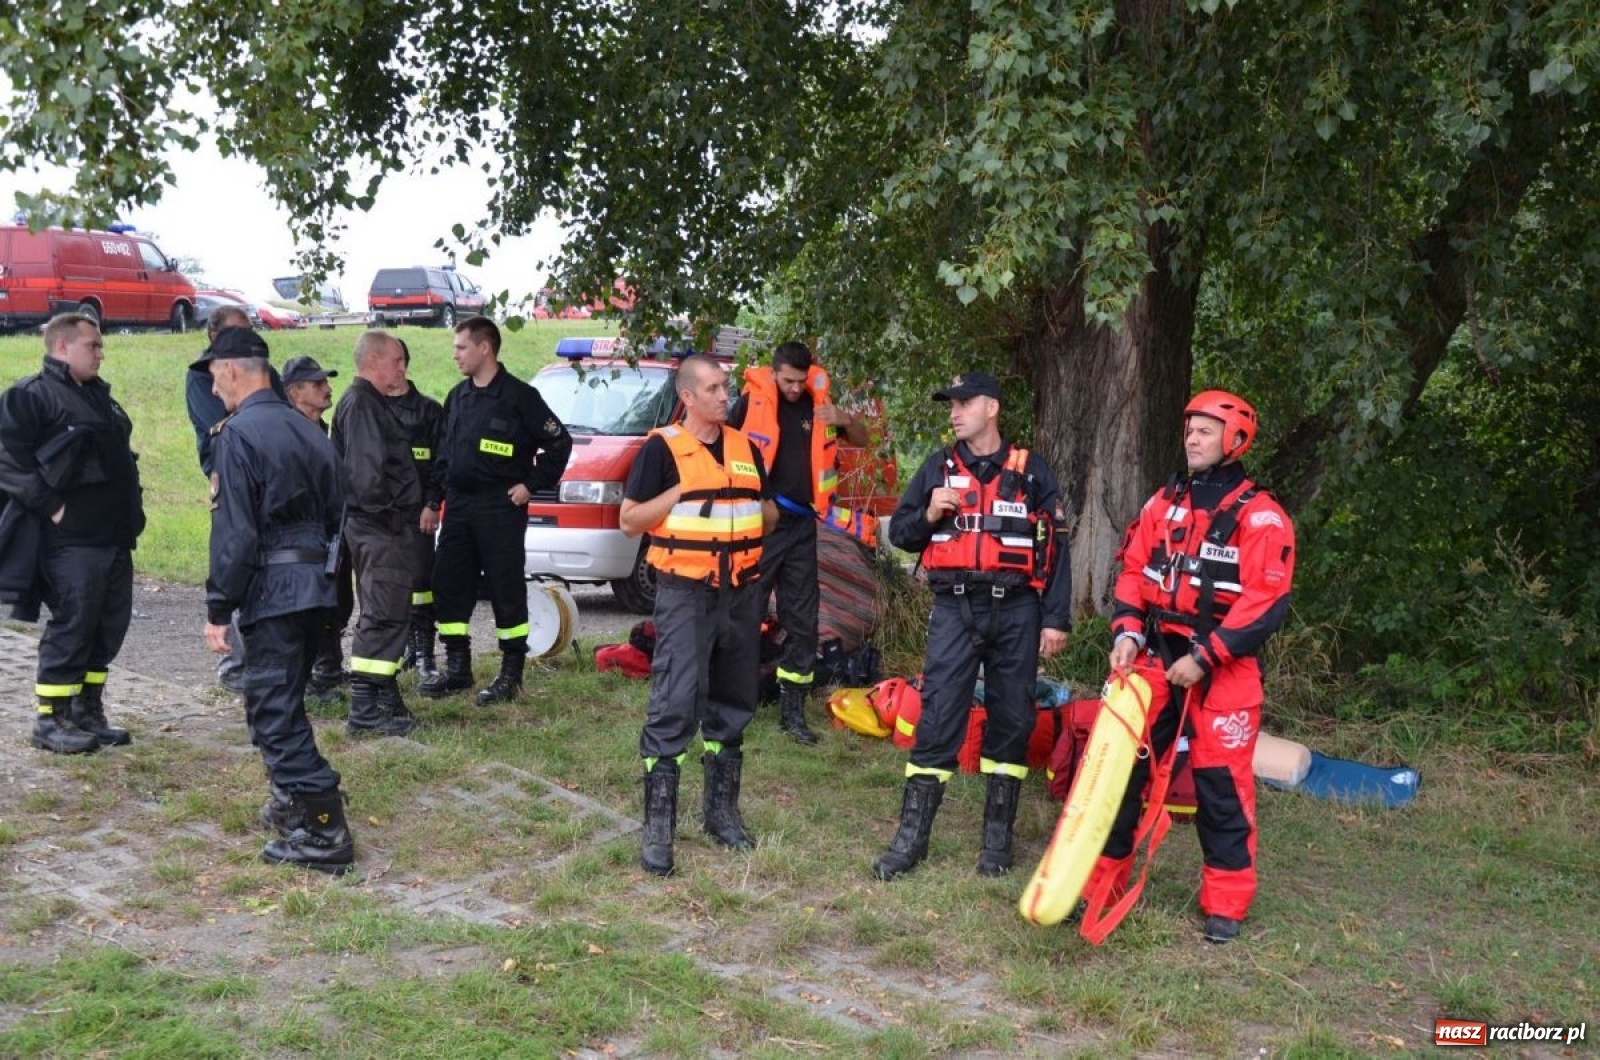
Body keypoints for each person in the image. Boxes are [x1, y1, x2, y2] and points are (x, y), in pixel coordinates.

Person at [1091, 389, 1295, 944]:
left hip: (1222, 669)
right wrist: (1128, 632)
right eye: (1189, 430)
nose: (1192, 439)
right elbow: (1133, 571)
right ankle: (1099, 884)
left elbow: (1264, 605)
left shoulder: (1263, 519)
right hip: (1156, 658)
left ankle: (1226, 903)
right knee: (1121, 773)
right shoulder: (1163, 504)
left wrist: (1204, 658)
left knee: (1220, 789)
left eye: (1205, 431)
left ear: (1235, 439)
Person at [873, 371, 1071, 880]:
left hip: (1017, 611)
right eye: (950, 404)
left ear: (992, 407)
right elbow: (901, 533)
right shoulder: (938, 467)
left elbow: (1055, 546)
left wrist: (1055, 618)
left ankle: (996, 845)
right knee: (938, 716)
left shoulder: (1030, 471)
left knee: (1012, 720)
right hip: (955, 607)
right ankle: (910, 840)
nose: (954, 412)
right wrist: (930, 514)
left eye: (964, 403)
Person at [195, 326, 354, 874]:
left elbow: (234, 535)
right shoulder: (310, 430)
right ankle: (291, 799)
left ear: (233, 370)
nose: (214, 390)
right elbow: (339, 516)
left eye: (215, 376)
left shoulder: (238, 435)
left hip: (275, 590)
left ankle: (324, 827)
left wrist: (219, 608)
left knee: (274, 709)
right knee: (281, 703)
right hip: (318, 587)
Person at [619, 354, 778, 876]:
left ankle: (721, 814)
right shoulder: (661, 449)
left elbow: (766, 509)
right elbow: (629, 521)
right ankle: (658, 828)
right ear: (687, 397)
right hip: (686, 592)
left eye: (725, 386)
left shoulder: (744, 449)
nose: (723, 395)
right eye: (712, 388)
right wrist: (682, 493)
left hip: (741, 591)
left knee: (734, 700)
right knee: (675, 699)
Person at [0, 314, 145, 754]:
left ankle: (87, 710)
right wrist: (52, 506)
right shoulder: (31, 396)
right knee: (74, 622)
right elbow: (7, 459)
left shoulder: (100, 397)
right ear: (62, 348)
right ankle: (51, 719)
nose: (101, 352)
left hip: (113, 535)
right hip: (71, 541)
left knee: (107, 625)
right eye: (93, 345)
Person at [420, 316, 572, 705]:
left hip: (500, 507)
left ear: (484, 348)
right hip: (460, 506)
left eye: (461, 347)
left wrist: (530, 485)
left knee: (505, 588)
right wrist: (434, 501)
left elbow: (559, 444)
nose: (455, 354)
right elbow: (443, 457)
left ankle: (510, 675)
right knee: (450, 584)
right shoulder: (457, 397)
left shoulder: (520, 397)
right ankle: (458, 669)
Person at [729, 340, 868, 746]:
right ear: (774, 373)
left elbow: (860, 438)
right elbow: (725, 451)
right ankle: (735, 703)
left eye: (799, 380)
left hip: (803, 525)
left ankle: (793, 712)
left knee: (803, 621)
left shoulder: (818, 402)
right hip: (761, 524)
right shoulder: (749, 403)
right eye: (787, 380)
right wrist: (756, 503)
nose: (793, 388)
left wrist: (841, 416)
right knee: (746, 611)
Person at [330, 331, 422, 737]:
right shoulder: (363, 405)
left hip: (380, 527)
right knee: (382, 613)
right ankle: (366, 708)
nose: (402, 368)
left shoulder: (369, 403)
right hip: (379, 527)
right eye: (396, 360)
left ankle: (383, 695)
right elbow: (368, 477)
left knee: (390, 611)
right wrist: (390, 517)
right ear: (372, 360)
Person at [184, 304, 279, 694]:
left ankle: (260, 659)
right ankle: (236, 661)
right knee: (236, 555)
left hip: (268, 478)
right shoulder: (202, 377)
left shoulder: (265, 372)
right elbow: (222, 426)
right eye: (232, 333)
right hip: (232, 471)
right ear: (213, 337)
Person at [282, 355, 354, 704]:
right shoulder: (286, 430)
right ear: (296, 392)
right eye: (318, 384)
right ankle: (311, 676)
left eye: (326, 382)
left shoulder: (324, 427)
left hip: (334, 531)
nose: (327, 389)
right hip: (303, 536)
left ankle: (328, 669)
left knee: (338, 603)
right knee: (311, 608)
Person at [384, 339, 446, 678]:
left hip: (418, 514)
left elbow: (441, 463)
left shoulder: (428, 411)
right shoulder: (370, 409)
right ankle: (400, 650)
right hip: (382, 515)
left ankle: (425, 654)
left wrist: (432, 503)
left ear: (405, 364)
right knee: (389, 585)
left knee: (422, 583)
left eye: (397, 361)